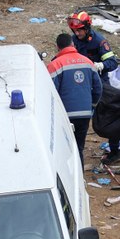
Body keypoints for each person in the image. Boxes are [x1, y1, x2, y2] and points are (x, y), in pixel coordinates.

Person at [67, 11, 120, 164]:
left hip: (100, 84)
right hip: (81, 85)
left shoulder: (99, 41)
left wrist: (100, 65)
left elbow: (113, 63)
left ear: (87, 27)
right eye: (75, 31)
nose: (77, 34)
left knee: (110, 117)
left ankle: (115, 151)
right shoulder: (74, 41)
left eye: (80, 30)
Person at [47, 33, 103, 167]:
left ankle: (66, 181)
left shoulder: (55, 65)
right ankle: (80, 180)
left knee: (62, 150)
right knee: (78, 148)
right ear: (72, 44)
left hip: (64, 116)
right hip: (84, 114)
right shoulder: (88, 62)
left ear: (57, 47)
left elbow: (50, 92)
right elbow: (98, 88)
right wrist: (92, 105)